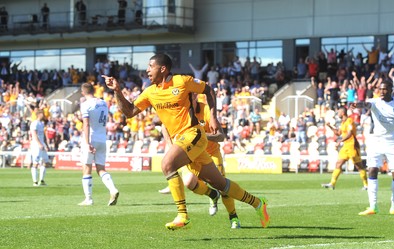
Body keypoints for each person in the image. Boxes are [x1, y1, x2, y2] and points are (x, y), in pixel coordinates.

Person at [103, 53, 269, 230]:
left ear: (163, 68)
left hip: (193, 134)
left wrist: (213, 117)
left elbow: (208, 89)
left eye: (151, 66)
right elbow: (129, 112)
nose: (147, 70)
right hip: (183, 142)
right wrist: (117, 90)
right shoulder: (150, 92)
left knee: (167, 164)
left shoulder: (182, 81)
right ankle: (258, 203)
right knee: (221, 184)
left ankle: (182, 215)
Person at [158, 93, 242, 229]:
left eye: (188, 98)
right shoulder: (180, 111)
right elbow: (165, 126)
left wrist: (200, 135)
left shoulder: (206, 110)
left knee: (223, 186)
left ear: (195, 97)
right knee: (189, 182)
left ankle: (233, 217)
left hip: (211, 152)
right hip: (193, 153)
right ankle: (212, 194)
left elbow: (221, 136)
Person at [355, 81, 394, 215]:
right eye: (380, 89)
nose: (381, 91)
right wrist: (357, 104)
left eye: (384, 89)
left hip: (392, 142)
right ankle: (373, 206)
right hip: (376, 141)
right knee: (372, 170)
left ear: (391, 90)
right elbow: (365, 104)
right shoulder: (375, 102)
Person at [79, 83, 119, 206]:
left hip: (91, 137)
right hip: (102, 138)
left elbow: (86, 124)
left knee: (87, 168)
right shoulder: (103, 103)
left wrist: (87, 143)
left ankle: (89, 199)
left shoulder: (85, 105)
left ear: (83, 92)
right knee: (101, 168)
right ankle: (113, 189)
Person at [321, 106, 368, 190]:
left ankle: (366, 185)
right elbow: (338, 133)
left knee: (359, 166)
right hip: (345, 147)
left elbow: (350, 134)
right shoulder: (343, 123)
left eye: (338, 112)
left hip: (353, 146)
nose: (337, 114)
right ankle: (332, 184)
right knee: (338, 164)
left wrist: (340, 141)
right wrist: (330, 126)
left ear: (342, 113)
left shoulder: (349, 121)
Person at [29, 109, 49, 186]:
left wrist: (44, 144)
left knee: (45, 162)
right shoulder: (34, 123)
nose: (43, 115)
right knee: (35, 163)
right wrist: (39, 144)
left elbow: (42, 136)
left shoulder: (41, 123)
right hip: (36, 145)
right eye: (42, 113)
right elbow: (34, 135)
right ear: (39, 114)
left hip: (41, 144)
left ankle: (42, 180)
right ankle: (35, 182)